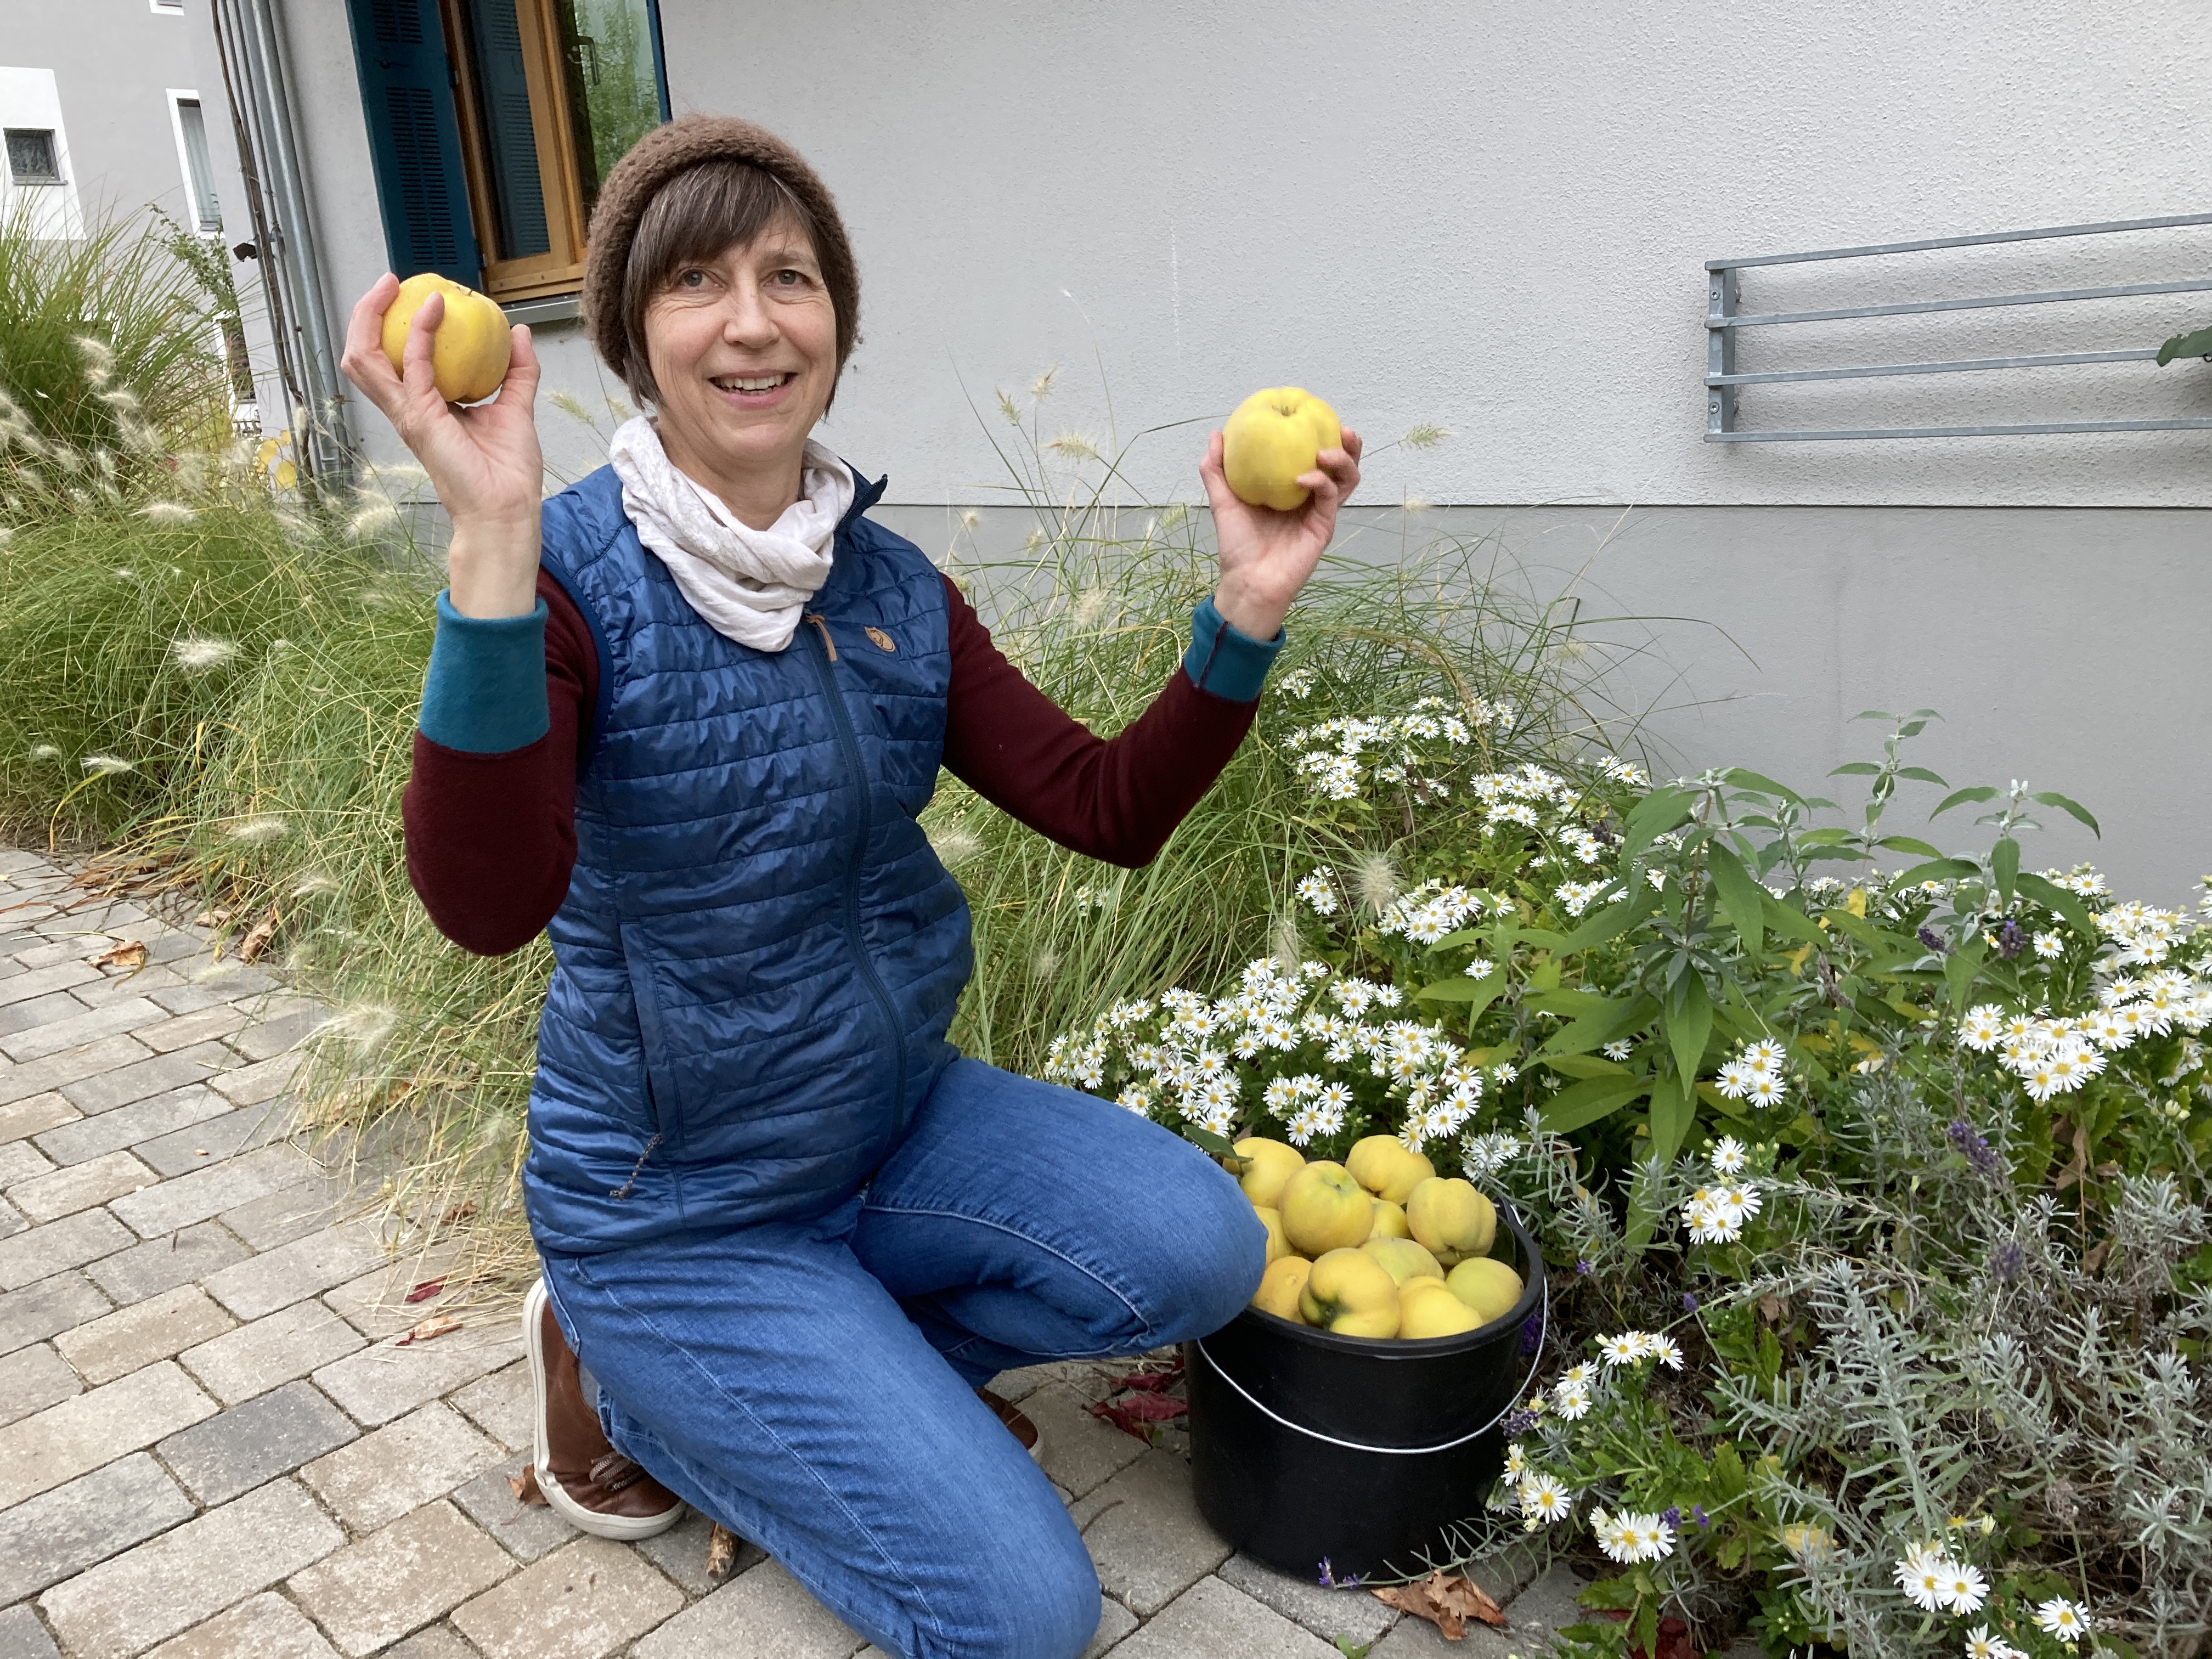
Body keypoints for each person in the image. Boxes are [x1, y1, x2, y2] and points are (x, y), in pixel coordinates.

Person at [338, 114, 1361, 1659]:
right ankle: (626, 1375)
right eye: (695, 284)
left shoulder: (884, 586)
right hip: (683, 1210)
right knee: (1023, 1617)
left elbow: (1103, 807)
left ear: (838, 325)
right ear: (629, 336)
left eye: (790, 277)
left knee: (1205, 1251)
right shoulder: (564, 579)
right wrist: (488, 532)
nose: (752, 320)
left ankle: (839, 1384)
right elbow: (485, 909)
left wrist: (1243, 611)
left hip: (892, 1130)